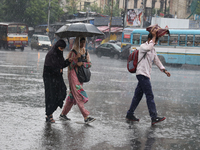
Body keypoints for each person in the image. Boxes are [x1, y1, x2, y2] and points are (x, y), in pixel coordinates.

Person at [126, 30, 171, 125]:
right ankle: (154, 117)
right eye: (155, 40)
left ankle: (130, 114)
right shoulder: (143, 46)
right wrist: (154, 37)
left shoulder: (153, 49)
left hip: (146, 75)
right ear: (150, 39)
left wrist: (164, 70)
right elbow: (149, 47)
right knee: (149, 95)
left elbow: (157, 60)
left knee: (138, 96)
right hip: (142, 74)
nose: (155, 43)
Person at [60, 37, 96, 124]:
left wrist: (82, 63)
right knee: (79, 94)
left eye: (84, 42)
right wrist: (76, 59)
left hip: (81, 76)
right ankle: (86, 116)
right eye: (81, 42)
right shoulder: (73, 52)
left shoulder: (85, 52)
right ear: (77, 43)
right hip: (73, 75)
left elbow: (89, 64)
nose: (83, 44)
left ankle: (63, 114)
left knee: (73, 96)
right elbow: (70, 65)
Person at [43, 39, 73, 123]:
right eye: (60, 48)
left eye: (63, 48)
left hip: (57, 78)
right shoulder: (51, 54)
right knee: (50, 96)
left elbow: (61, 64)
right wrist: (57, 70)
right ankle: (49, 115)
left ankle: (50, 113)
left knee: (62, 91)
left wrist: (68, 61)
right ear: (57, 47)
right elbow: (48, 67)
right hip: (49, 78)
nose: (61, 50)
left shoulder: (59, 54)